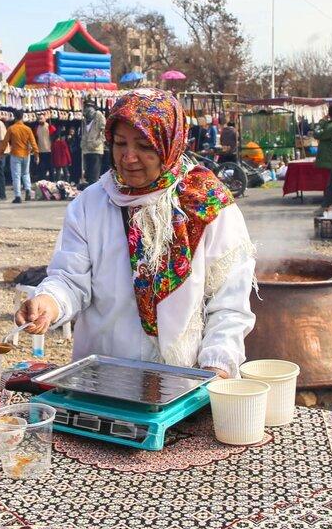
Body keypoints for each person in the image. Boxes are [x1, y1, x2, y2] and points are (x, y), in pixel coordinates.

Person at [15, 89, 255, 377]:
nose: (128, 157)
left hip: (183, 378)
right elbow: (70, 279)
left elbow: (228, 303)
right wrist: (49, 302)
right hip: (104, 372)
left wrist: (216, 366)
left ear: (170, 143)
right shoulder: (90, 204)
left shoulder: (206, 205)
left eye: (144, 145)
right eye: (120, 143)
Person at [3, 113, 39, 203]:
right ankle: (28, 190)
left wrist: (1, 152)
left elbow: (5, 142)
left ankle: (18, 196)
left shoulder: (11, 128)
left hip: (15, 154)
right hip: (26, 154)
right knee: (26, 173)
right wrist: (36, 154)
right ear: (22, 117)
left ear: (14, 118)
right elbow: (33, 142)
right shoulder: (28, 129)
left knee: (16, 176)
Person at [80, 104, 105, 186]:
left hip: (96, 150)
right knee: (88, 175)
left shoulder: (99, 116)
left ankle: (95, 190)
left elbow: (105, 132)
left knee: (94, 175)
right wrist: (82, 144)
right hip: (86, 150)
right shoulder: (85, 119)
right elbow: (84, 133)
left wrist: (97, 142)